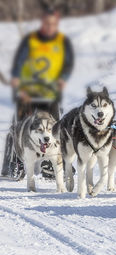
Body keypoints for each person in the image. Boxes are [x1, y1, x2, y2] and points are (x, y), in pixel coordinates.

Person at [1, 7, 75, 178]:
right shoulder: (31, 40)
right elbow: (19, 63)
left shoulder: (62, 42)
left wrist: (63, 78)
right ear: (42, 23)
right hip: (28, 91)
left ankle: (51, 165)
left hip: (50, 93)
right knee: (19, 127)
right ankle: (16, 163)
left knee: (54, 129)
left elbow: (67, 64)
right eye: (47, 23)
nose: (50, 26)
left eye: (53, 24)